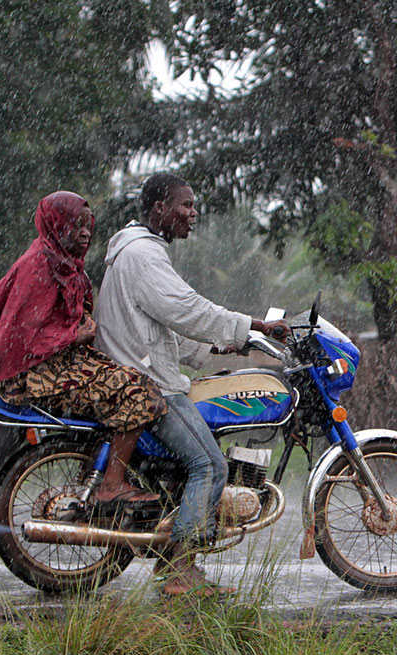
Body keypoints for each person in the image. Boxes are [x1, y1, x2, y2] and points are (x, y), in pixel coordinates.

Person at [95, 173, 290, 595]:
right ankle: (180, 569)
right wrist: (251, 325)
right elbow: (184, 308)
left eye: (193, 205)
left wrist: (216, 348)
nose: (193, 213)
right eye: (185, 204)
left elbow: (159, 323)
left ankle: (177, 537)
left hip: (138, 368)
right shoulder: (144, 255)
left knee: (201, 453)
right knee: (210, 464)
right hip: (146, 382)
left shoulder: (137, 250)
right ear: (160, 208)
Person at [0, 191, 168, 504]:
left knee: (133, 377)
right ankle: (112, 484)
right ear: (56, 224)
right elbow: (20, 336)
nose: (85, 232)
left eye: (87, 225)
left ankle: (94, 473)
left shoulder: (65, 264)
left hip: (62, 362)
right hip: (34, 372)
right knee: (137, 390)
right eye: (75, 225)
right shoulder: (38, 266)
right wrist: (74, 337)